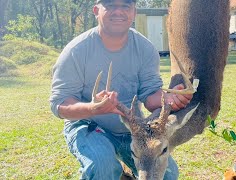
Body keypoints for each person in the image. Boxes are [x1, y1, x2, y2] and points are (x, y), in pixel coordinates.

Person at [49, 0, 193, 179]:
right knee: (102, 167)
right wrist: (92, 108)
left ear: (134, 12)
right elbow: (60, 105)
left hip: (134, 130)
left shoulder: (145, 48)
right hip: (88, 125)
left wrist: (168, 99)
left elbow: (150, 95)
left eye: (125, 5)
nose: (118, 11)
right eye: (110, 5)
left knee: (167, 175)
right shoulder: (75, 51)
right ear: (96, 10)